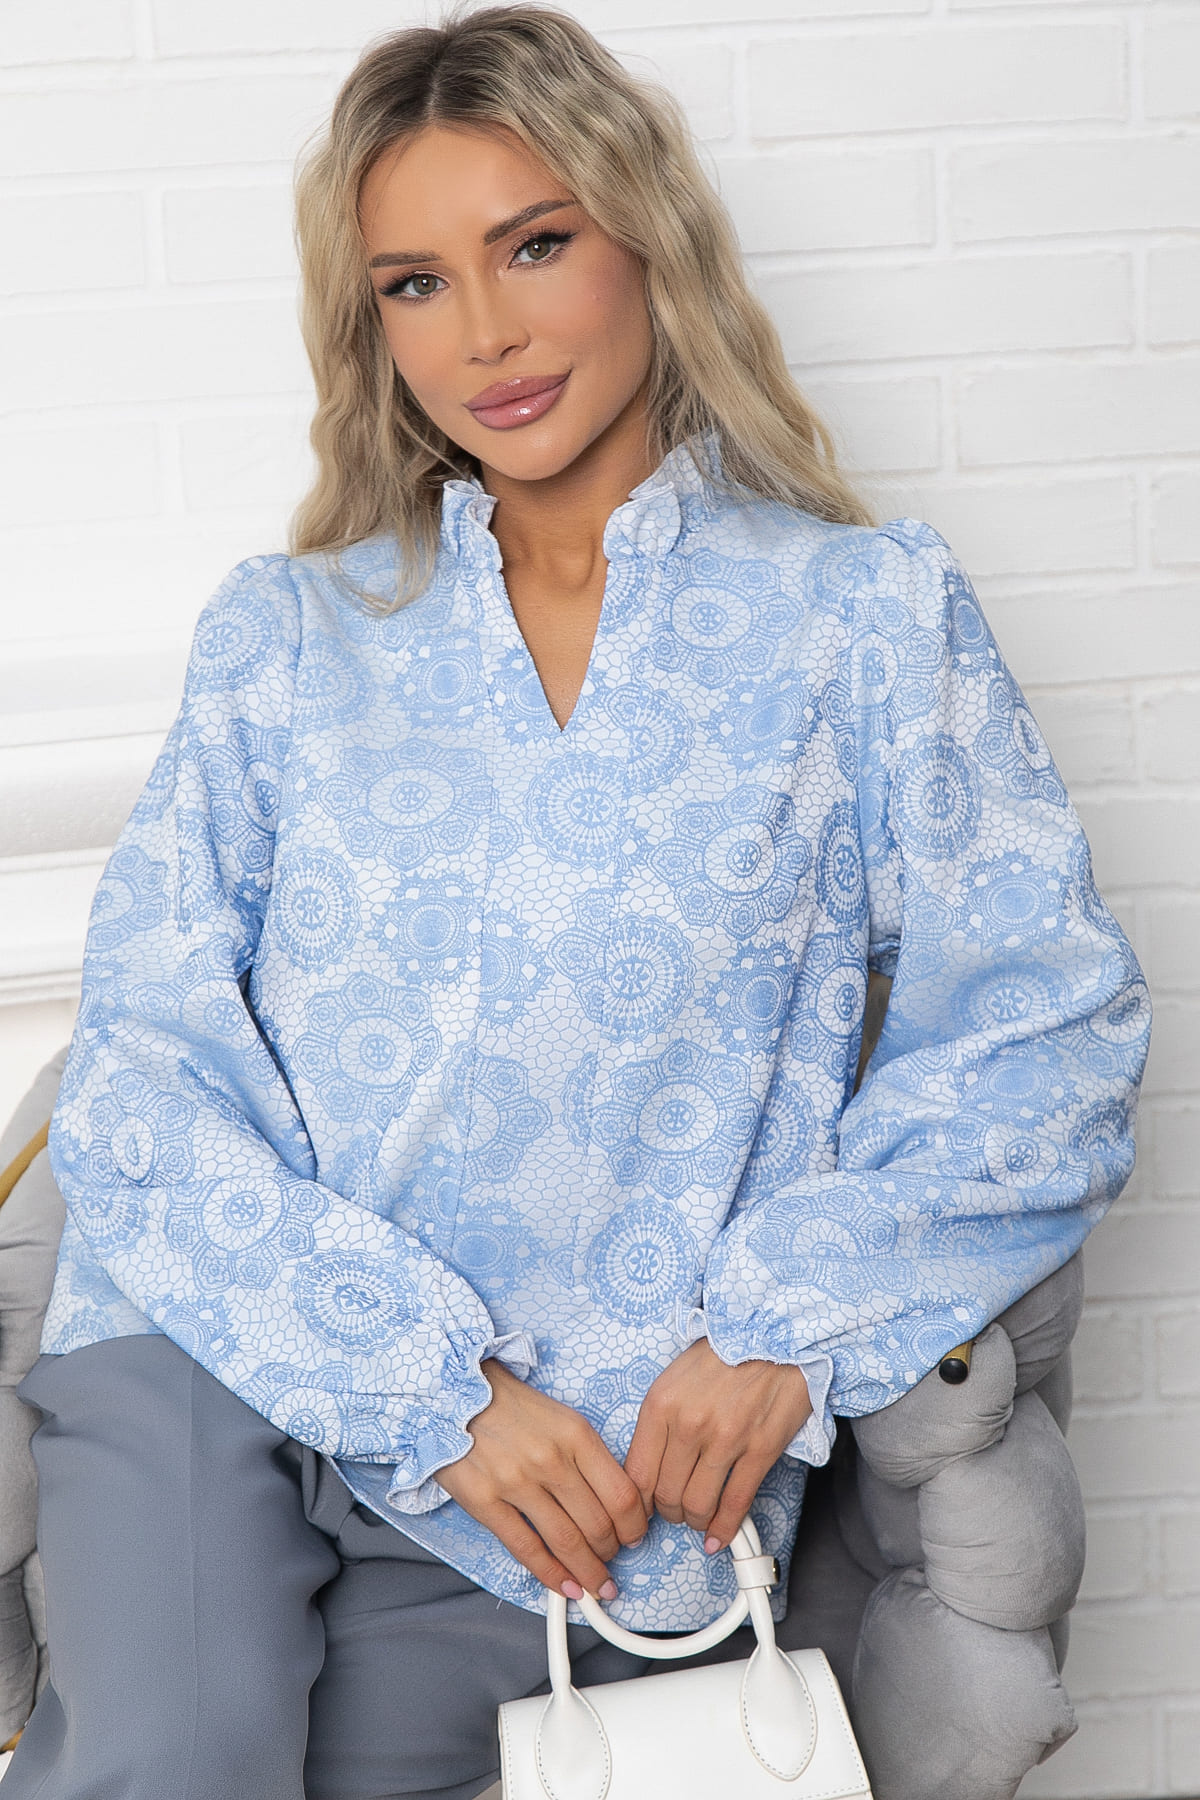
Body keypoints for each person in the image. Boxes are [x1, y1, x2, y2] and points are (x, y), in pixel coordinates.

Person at [6, 7, 1150, 1799]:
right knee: (175, 1756)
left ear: (646, 239)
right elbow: (145, 1078)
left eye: (533, 245)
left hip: (595, 1482)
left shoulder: (862, 622)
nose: (485, 333)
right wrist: (430, 1384)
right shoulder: (289, 637)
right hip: (220, 1350)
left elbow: (1049, 1041)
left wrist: (784, 1321)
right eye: (414, 283)